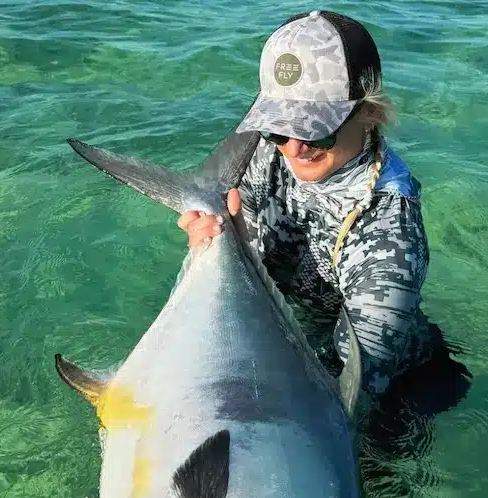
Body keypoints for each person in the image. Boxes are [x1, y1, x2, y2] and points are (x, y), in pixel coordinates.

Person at [177, 9, 443, 408]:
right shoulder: (262, 150)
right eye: (278, 125)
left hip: (385, 389)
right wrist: (212, 247)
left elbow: (348, 402)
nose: (294, 148)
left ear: (370, 113)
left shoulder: (391, 241)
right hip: (287, 336)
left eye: (316, 128)